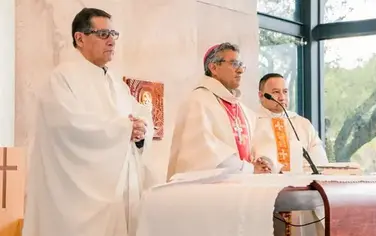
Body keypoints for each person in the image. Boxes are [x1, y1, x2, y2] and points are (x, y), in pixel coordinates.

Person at [22, 8, 154, 236]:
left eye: (114, 34)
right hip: (76, 201)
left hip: (118, 196)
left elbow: (140, 118)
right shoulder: (62, 79)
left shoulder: (116, 83)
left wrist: (141, 132)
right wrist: (124, 129)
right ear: (79, 38)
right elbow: (68, 126)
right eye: (103, 34)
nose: (112, 41)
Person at [166, 42, 270, 181]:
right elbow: (206, 153)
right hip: (209, 191)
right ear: (214, 67)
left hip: (242, 185)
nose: (240, 70)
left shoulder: (243, 110)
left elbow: (256, 145)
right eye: (233, 64)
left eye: (240, 65)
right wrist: (249, 169)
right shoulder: (198, 102)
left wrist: (262, 161)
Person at [252, 73, 328, 174]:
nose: (282, 97)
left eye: (285, 92)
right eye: (276, 92)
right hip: (265, 185)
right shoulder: (250, 121)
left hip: (302, 184)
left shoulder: (302, 124)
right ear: (261, 96)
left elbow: (320, 160)